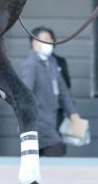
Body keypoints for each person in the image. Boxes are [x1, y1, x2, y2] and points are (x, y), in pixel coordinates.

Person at [19, 26, 80, 157]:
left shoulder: (52, 62)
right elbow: (25, 94)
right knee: (56, 150)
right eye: (46, 39)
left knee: (38, 160)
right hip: (38, 122)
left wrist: (72, 113)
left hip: (51, 118)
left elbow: (63, 91)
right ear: (34, 42)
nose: (50, 41)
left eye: (51, 38)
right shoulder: (31, 64)